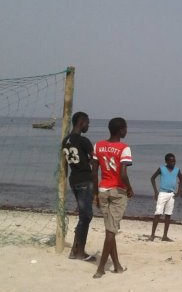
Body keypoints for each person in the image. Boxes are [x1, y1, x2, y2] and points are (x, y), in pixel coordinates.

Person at [92, 117, 134, 279]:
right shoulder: (124, 148)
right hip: (117, 192)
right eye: (126, 128)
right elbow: (123, 174)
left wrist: (95, 193)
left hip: (102, 189)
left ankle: (117, 266)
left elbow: (94, 172)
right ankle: (101, 268)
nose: (127, 131)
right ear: (121, 130)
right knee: (111, 231)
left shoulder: (98, 146)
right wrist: (129, 188)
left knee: (110, 228)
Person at [62, 111, 95, 261]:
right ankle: (80, 251)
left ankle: (75, 249)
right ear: (81, 122)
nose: (88, 125)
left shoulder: (65, 140)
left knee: (84, 215)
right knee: (86, 216)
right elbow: (94, 161)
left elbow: (67, 163)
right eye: (87, 122)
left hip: (74, 179)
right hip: (84, 180)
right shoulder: (83, 141)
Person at [149, 153, 182, 242]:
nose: (173, 162)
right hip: (162, 194)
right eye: (171, 161)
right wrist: (156, 192)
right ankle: (152, 235)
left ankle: (165, 236)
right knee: (158, 213)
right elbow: (152, 178)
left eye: (174, 161)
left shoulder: (177, 170)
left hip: (171, 195)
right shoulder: (162, 169)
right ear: (166, 161)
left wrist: (179, 191)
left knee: (168, 215)